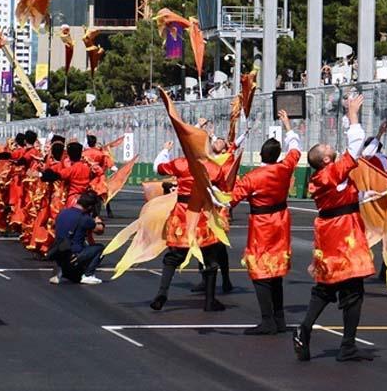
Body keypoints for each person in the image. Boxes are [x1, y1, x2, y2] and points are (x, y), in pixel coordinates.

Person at [294, 94, 375, 362]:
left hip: (333, 231)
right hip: (343, 234)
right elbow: (355, 146)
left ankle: (304, 329)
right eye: (328, 148)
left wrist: (366, 196)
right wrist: (352, 114)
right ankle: (347, 346)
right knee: (353, 289)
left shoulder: (325, 178)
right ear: (326, 160)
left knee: (327, 286)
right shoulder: (330, 173)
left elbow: (344, 195)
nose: (332, 147)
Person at [227, 111, 301, 335]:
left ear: (260, 155)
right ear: (278, 155)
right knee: (276, 271)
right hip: (281, 220)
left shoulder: (252, 177)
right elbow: (296, 148)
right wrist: (288, 126)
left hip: (262, 224)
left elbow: (231, 199)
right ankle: (279, 319)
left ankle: (267, 320)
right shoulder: (285, 168)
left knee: (260, 271)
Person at [149, 135, 228, 313]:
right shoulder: (214, 168)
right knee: (209, 257)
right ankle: (209, 300)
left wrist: (165, 150)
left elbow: (157, 167)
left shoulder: (180, 163)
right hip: (202, 214)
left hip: (182, 213)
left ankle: (162, 293)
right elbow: (222, 190)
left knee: (173, 256)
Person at [49, 191, 106, 285]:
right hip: (74, 256)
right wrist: (98, 220)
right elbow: (99, 230)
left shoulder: (62, 213)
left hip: (60, 253)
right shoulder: (84, 218)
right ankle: (88, 275)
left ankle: (61, 270)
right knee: (100, 248)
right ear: (90, 207)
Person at [82, 134, 116, 217]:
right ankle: (104, 212)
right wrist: (112, 167)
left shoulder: (83, 153)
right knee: (101, 194)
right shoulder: (100, 153)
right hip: (98, 178)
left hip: (86, 177)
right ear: (95, 143)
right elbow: (108, 163)